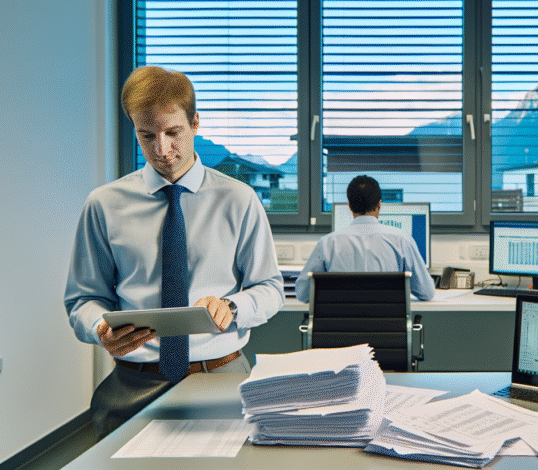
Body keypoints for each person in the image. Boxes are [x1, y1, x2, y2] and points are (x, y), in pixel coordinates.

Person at [64, 65, 284, 439]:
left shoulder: (239, 200)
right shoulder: (104, 204)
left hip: (221, 376)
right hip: (133, 384)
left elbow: (270, 288)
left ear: (195, 123)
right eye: (146, 135)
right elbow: (83, 299)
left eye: (173, 132)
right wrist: (99, 327)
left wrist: (232, 308)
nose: (162, 150)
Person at [294, 175, 436, 303]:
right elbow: (427, 293)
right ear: (379, 205)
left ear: (349, 205)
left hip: (340, 330)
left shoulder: (327, 244)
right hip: (387, 330)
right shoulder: (402, 241)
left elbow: (302, 294)